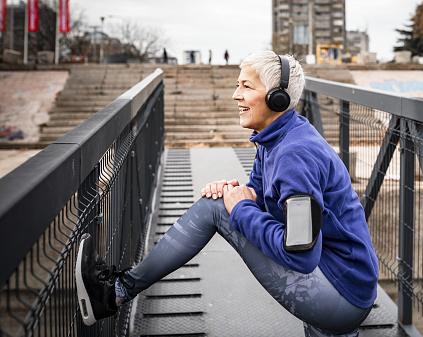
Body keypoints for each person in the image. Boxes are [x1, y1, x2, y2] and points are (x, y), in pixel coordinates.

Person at [75, 50, 379, 337]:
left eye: (246, 86)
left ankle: (116, 292)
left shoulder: (294, 154)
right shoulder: (275, 138)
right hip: (341, 281)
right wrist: (234, 191)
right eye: (237, 85)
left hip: (341, 294)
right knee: (222, 201)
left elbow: (300, 254)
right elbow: (258, 194)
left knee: (216, 208)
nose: (236, 95)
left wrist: (237, 208)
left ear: (277, 97)